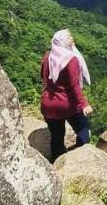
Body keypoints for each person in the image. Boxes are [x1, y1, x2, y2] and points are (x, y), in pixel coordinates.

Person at [40, 28, 93, 162]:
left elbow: (43, 76)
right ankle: (82, 157)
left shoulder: (48, 56)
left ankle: (57, 165)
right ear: (63, 41)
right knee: (83, 128)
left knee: (57, 138)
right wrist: (84, 104)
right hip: (67, 104)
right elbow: (74, 85)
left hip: (49, 105)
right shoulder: (70, 59)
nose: (72, 39)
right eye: (69, 37)